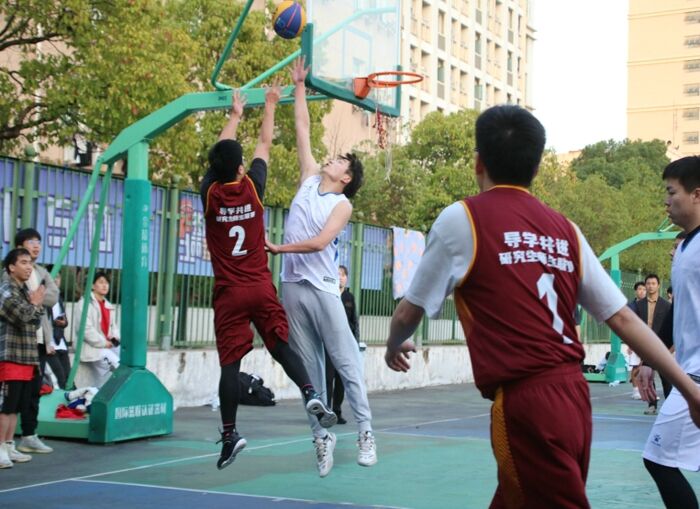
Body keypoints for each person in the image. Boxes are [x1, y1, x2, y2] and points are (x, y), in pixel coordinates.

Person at [384, 105, 700, 508]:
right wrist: (688, 389)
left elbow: (408, 311)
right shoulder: (565, 229)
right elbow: (622, 317)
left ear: (478, 162)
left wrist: (393, 344)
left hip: (526, 402)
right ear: (535, 169)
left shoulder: (463, 219)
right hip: (574, 398)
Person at [201, 85, 335, 471]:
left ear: (215, 171)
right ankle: (309, 391)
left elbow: (220, 154)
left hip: (229, 293)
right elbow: (264, 142)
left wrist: (233, 115)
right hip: (260, 287)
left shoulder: (210, 193)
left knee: (230, 365)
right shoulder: (253, 188)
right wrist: (271, 104)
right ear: (241, 169)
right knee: (279, 344)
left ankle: (230, 435)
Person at [265, 57, 375, 478]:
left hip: (324, 287)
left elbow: (319, 243)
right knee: (309, 374)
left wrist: (279, 247)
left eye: (340, 161)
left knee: (346, 363)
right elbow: (302, 128)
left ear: (346, 177)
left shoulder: (341, 204)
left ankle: (365, 432)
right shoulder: (310, 178)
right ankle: (321, 438)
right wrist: (298, 86)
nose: (332, 159)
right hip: (293, 286)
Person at [641, 156, 700, 509]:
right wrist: (651, 360)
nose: (666, 201)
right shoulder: (684, 248)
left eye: (671, 192)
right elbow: (679, 310)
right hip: (688, 371)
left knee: (658, 459)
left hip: (697, 377)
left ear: (697, 194)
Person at [0, 248, 46, 468]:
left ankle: (9, 445)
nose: (29, 267)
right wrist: (34, 304)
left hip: (26, 356)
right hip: (10, 355)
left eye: (30, 263)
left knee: (16, 406)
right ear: (11, 267)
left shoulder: (24, 291)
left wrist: (34, 305)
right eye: (24, 262)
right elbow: (22, 316)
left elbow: (35, 321)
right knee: (5, 406)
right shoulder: (6, 290)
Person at [13, 228, 57, 455]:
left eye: (39, 241)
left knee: (33, 390)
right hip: (17, 341)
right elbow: (17, 298)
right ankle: (6, 441)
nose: (37, 245)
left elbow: (53, 296)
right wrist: (37, 296)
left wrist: (36, 296)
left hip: (39, 339)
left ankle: (29, 435)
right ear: (19, 245)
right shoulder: (9, 271)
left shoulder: (41, 271)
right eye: (31, 241)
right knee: (13, 393)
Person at [325, 265, 360, 425]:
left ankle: (337, 411)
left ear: (346, 278)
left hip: (345, 344)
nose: (340, 277)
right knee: (327, 378)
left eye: (343, 275)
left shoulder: (349, 297)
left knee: (341, 380)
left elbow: (354, 322)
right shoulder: (328, 295)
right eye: (337, 274)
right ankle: (326, 411)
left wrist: (355, 344)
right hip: (328, 343)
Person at [73, 272, 120, 389]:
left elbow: (113, 327)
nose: (105, 285)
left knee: (126, 360)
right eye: (101, 282)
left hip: (106, 346)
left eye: (107, 283)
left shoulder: (108, 305)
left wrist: (115, 338)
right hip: (92, 348)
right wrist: (104, 343)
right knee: (117, 368)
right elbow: (85, 329)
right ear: (93, 286)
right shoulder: (84, 303)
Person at [633, 274, 672, 414]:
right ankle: (652, 405)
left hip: (662, 345)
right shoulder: (639, 305)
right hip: (645, 345)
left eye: (653, 283)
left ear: (658, 285)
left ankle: (669, 406)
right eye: (648, 283)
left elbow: (670, 326)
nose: (650, 286)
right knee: (648, 376)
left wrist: (670, 348)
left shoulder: (666, 306)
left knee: (666, 377)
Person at [45, 270, 71, 390]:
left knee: (68, 378)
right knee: (60, 377)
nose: (56, 280)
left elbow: (64, 320)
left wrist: (64, 322)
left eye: (58, 277)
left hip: (60, 342)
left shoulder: (59, 298)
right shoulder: (42, 298)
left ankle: (68, 400)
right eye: (53, 276)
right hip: (49, 344)